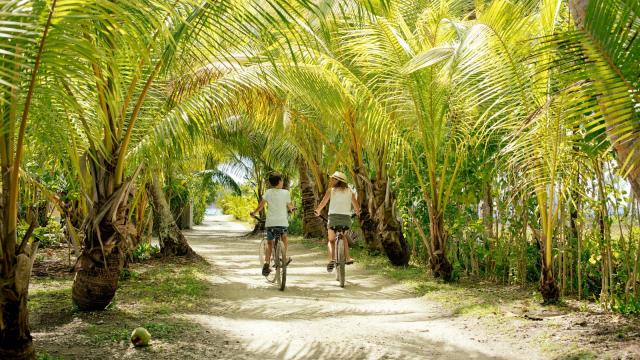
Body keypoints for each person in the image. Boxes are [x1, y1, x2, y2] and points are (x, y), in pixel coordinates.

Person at [314, 171, 361, 272]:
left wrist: (318, 211)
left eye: (333, 179)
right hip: (346, 219)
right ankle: (348, 258)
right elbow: (356, 206)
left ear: (338, 181)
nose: (331, 180)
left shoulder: (331, 190)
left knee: (331, 240)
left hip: (333, 218)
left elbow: (323, 202)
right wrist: (357, 212)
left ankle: (331, 259)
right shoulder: (350, 191)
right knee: (343, 237)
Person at [251, 173, 295, 276]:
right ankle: (284, 256)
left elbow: (261, 206)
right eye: (282, 181)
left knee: (270, 243)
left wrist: (254, 213)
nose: (283, 182)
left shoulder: (268, 192)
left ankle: (266, 264)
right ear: (279, 182)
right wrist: (292, 209)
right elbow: (290, 206)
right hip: (282, 222)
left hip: (271, 223)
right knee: (284, 237)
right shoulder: (286, 192)